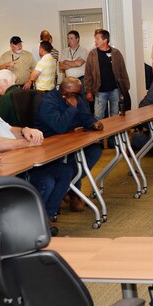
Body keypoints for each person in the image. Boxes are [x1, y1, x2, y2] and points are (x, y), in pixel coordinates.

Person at [0, 76, 73, 224]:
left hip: (17, 159)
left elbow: (10, 129)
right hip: (3, 168)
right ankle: (34, 223)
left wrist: (25, 130)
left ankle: (45, 217)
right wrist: (27, 144)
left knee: (65, 171)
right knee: (46, 182)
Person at [35, 77, 105, 208]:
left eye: (79, 93)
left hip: (70, 140)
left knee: (94, 150)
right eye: (76, 94)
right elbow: (59, 127)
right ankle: (71, 191)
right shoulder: (48, 102)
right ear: (65, 92)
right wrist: (72, 108)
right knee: (70, 163)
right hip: (50, 144)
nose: (79, 97)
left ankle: (69, 188)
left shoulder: (75, 97)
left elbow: (85, 116)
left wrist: (93, 124)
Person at [82, 29, 131, 119]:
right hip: (100, 91)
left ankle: (114, 133)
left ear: (105, 40)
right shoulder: (92, 54)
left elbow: (122, 71)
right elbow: (88, 74)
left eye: (97, 39)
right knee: (98, 116)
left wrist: (125, 88)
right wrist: (88, 91)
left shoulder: (116, 53)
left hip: (115, 90)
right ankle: (100, 134)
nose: (95, 41)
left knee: (115, 116)